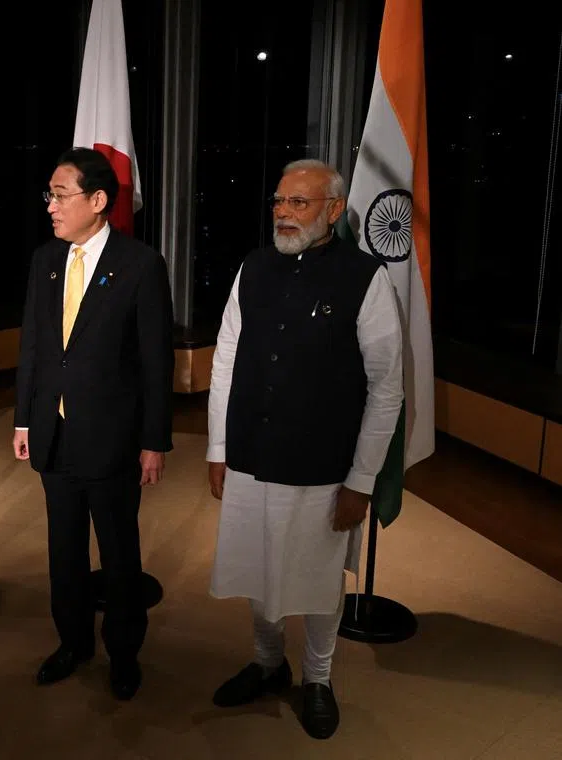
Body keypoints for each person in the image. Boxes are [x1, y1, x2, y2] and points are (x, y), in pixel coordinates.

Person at [206, 159, 404, 739]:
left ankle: (317, 678)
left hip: (323, 464)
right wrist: (218, 447)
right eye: (279, 201)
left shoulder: (365, 277)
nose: (284, 213)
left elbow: (386, 387)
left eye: (299, 203)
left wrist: (362, 480)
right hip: (251, 452)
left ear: (334, 210)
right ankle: (269, 663)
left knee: (317, 578)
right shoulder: (253, 266)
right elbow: (225, 359)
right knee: (255, 563)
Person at [13, 147, 175, 700]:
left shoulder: (140, 265)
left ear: (99, 200)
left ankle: (124, 654)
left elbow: (155, 362)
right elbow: (34, 348)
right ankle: (73, 643)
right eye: (50, 195)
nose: (51, 206)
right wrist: (23, 420)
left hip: (113, 440)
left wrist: (154, 441)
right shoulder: (45, 260)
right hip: (53, 434)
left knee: (119, 555)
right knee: (64, 553)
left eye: (61, 195)